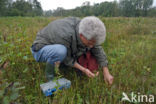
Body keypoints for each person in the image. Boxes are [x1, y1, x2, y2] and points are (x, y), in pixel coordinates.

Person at [30, 16, 114, 85]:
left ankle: (60, 63)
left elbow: (97, 48)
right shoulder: (65, 35)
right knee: (61, 51)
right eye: (89, 43)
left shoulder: (86, 28)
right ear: (81, 35)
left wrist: (106, 71)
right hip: (41, 49)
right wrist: (84, 70)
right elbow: (68, 59)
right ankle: (51, 80)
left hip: (61, 45)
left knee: (90, 56)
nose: (92, 46)